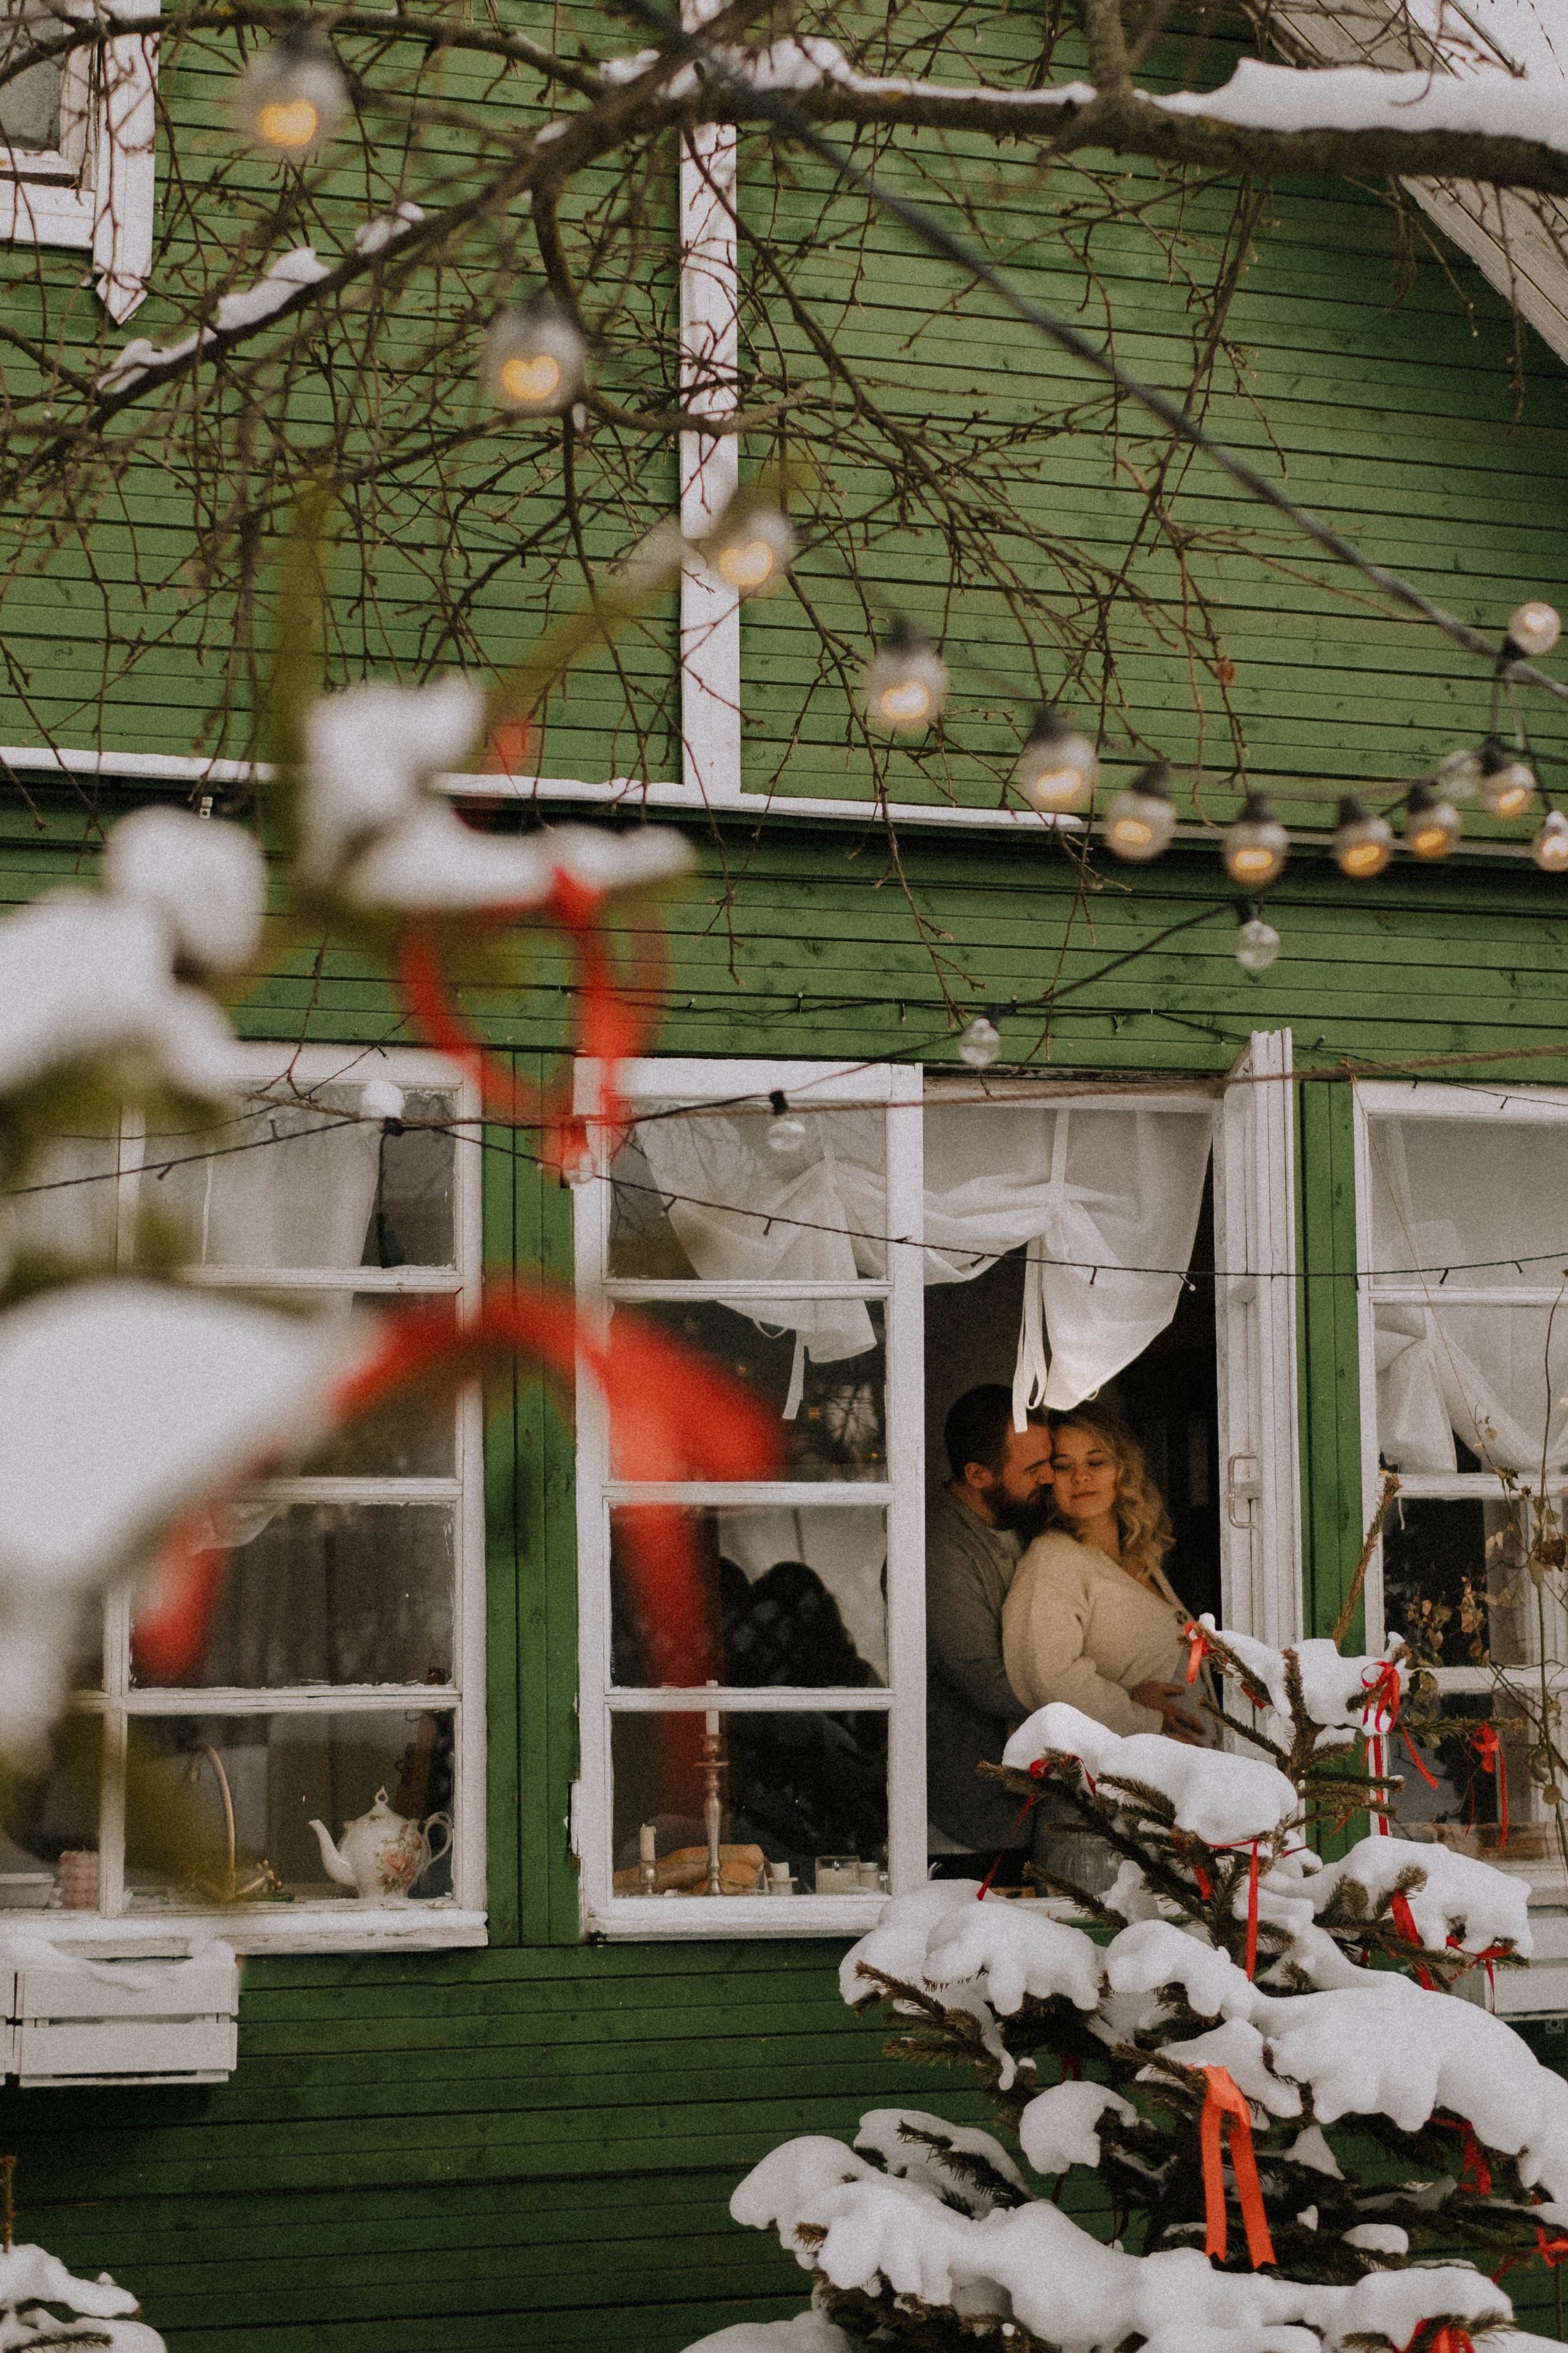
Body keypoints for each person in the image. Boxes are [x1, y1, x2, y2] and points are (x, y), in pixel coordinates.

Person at [1001, 1400, 1209, 1742]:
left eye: (1095, 1462)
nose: (1081, 1476)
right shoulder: (1052, 1558)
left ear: (1121, 1470)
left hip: (1187, 1766)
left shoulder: (1139, 1555)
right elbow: (1050, 1677)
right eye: (1063, 1466)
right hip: (1132, 1772)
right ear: (1050, 1480)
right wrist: (1145, 1720)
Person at [925, 1385, 1055, 1875]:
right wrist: (1117, 1706)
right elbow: (984, 1677)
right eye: (1032, 1468)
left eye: (1049, 1459)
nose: (1050, 1476)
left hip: (1030, 1814)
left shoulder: (1024, 1518)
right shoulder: (939, 1549)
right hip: (973, 1823)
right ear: (978, 1475)